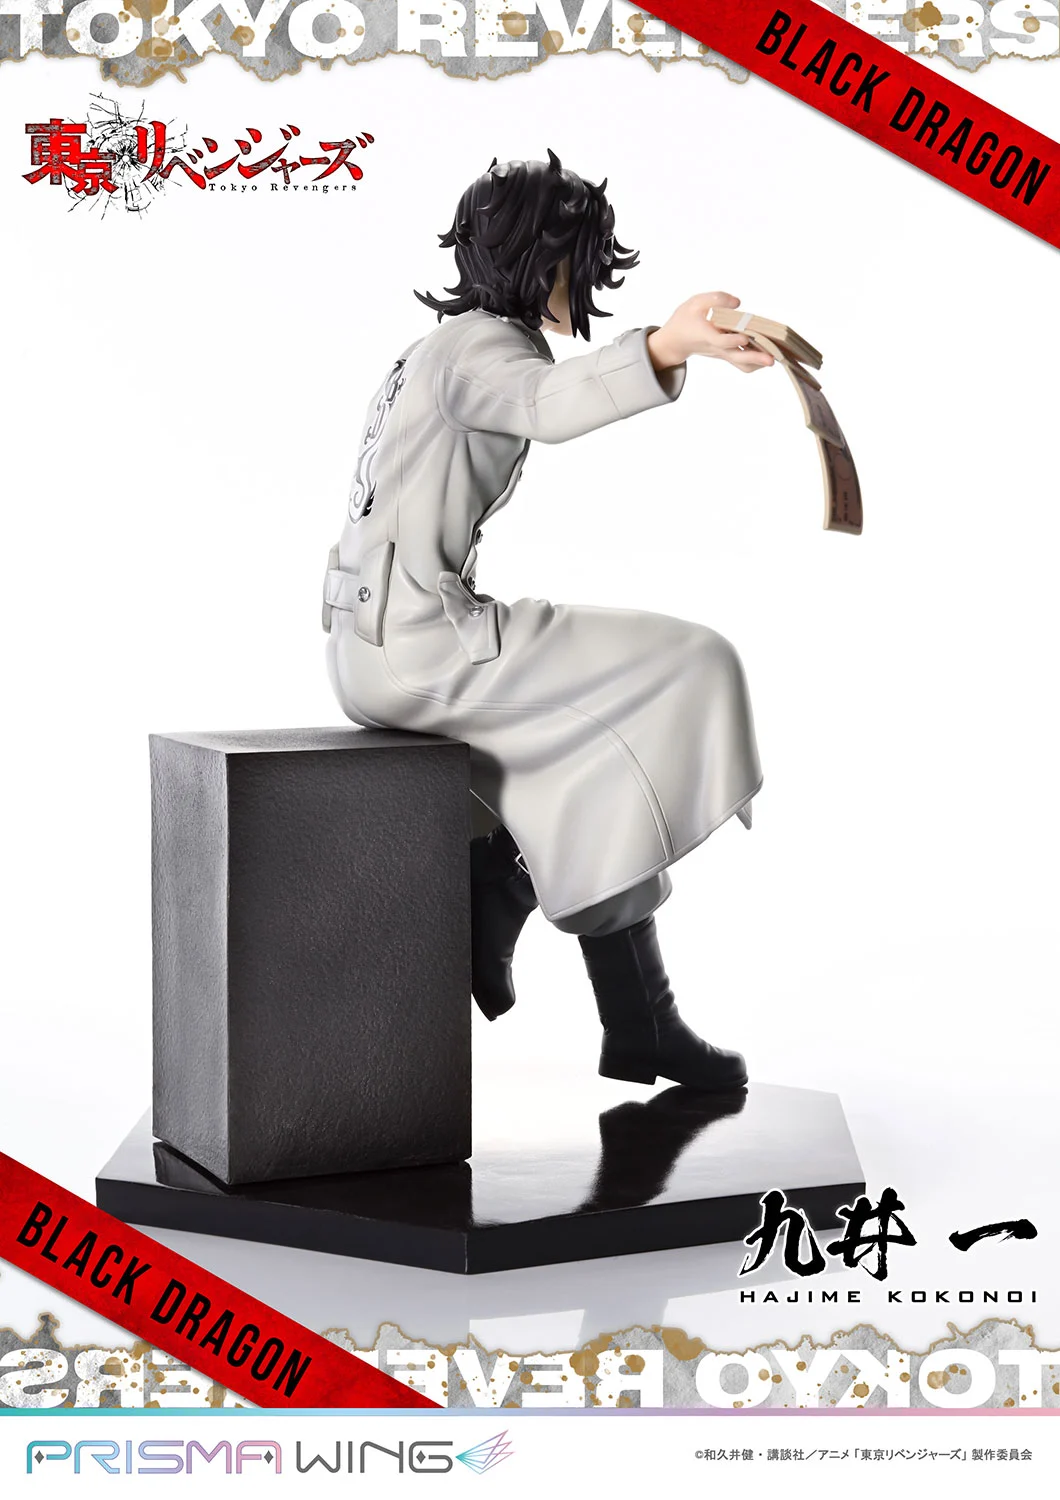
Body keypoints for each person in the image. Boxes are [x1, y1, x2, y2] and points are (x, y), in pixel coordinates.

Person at [324, 152, 773, 1092]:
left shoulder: (438, 349)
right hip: (420, 647)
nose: (590, 278)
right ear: (539, 254)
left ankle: (639, 1023)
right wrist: (667, 346)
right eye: (580, 257)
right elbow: (544, 405)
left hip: (382, 640)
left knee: (595, 764)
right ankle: (509, 881)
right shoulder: (481, 348)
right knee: (693, 662)